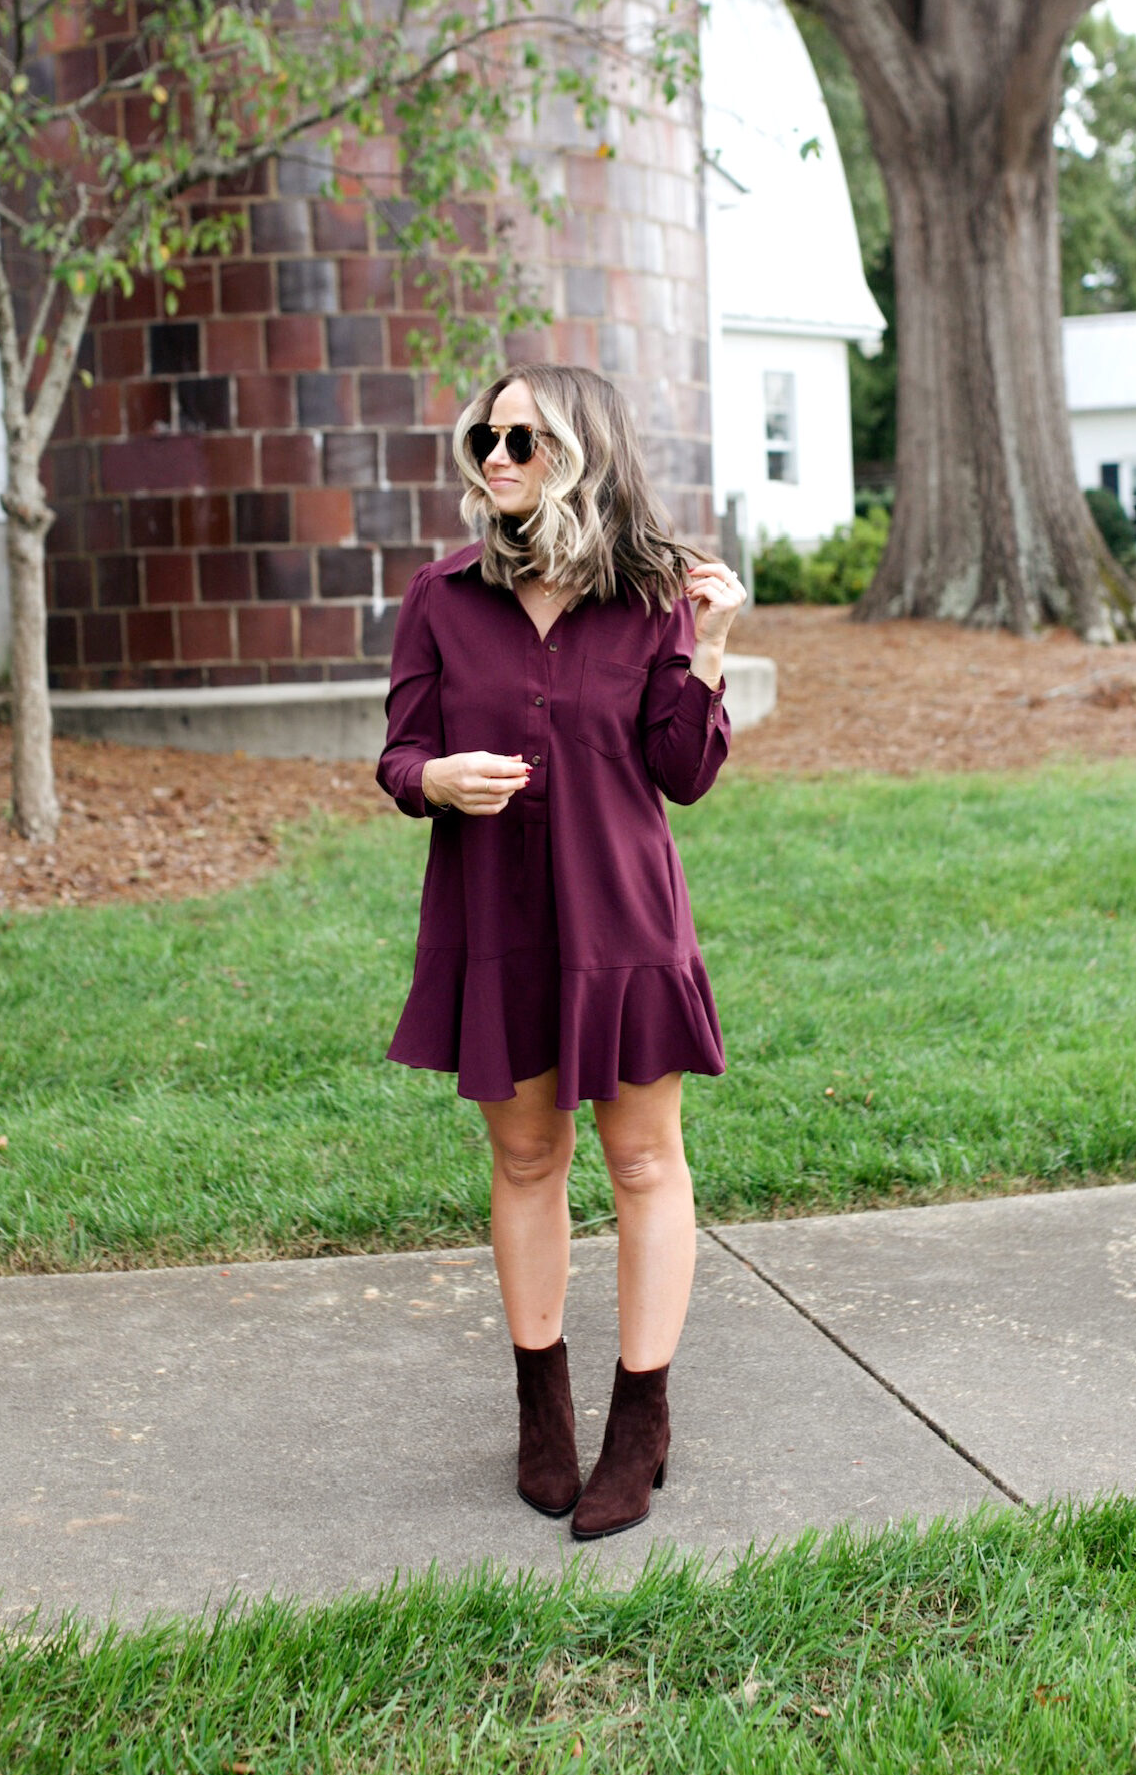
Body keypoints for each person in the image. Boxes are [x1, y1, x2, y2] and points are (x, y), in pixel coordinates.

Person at [375, 363, 745, 1539]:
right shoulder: (440, 595)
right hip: (497, 921)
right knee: (527, 1157)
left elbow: (682, 769)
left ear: (579, 451)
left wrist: (715, 637)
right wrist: (431, 775)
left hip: (623, 916)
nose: (495, 454)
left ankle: (641, 1420)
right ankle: (543, 1410)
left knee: (641, 1163)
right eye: (486, 434)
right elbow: (399, 754)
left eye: (523, 440)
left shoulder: (650, 599)